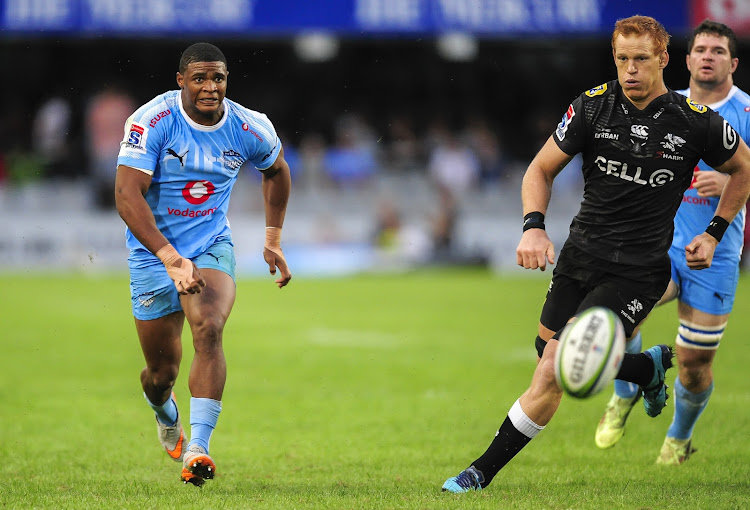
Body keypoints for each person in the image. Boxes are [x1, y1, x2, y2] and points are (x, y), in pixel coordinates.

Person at [442, 16, 750, 493]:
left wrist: (714, 232)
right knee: (548, 353)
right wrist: (533, 229)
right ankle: (644, 367)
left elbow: (743, 169)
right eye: (622, 59)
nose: (631, 70)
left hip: (638, 270)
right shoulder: (592, 107)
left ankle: (478, 473)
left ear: (664, 60)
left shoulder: (695, 120)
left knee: (553, 370)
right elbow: (539, 170)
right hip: (579, 257)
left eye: (641, 60)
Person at [114, 42, 292, 486]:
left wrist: (272, 239)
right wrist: (170, 258)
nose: (210, 88)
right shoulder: (152, 120)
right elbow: (126, 194)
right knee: (161, 372)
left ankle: (199, 449)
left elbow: (277, 171)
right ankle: (163, 409)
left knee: (209, 327)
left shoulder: (250, 127)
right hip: (153, 252)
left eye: (218, 78)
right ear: (181, 82)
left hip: (211, 244)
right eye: (200, 78)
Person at [594, 20, 750, 465]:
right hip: (656, 247)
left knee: (695, 362)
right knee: (617, 318)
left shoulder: (746, 113)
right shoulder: (665, 106)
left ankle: (679, 437)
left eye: (717, 51)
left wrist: (729, 180)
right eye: (699, 49)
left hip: (714, 254)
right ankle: (624, 393)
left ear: (732, 62)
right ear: (684, 60)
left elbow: (747, 172)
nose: (707, 56)